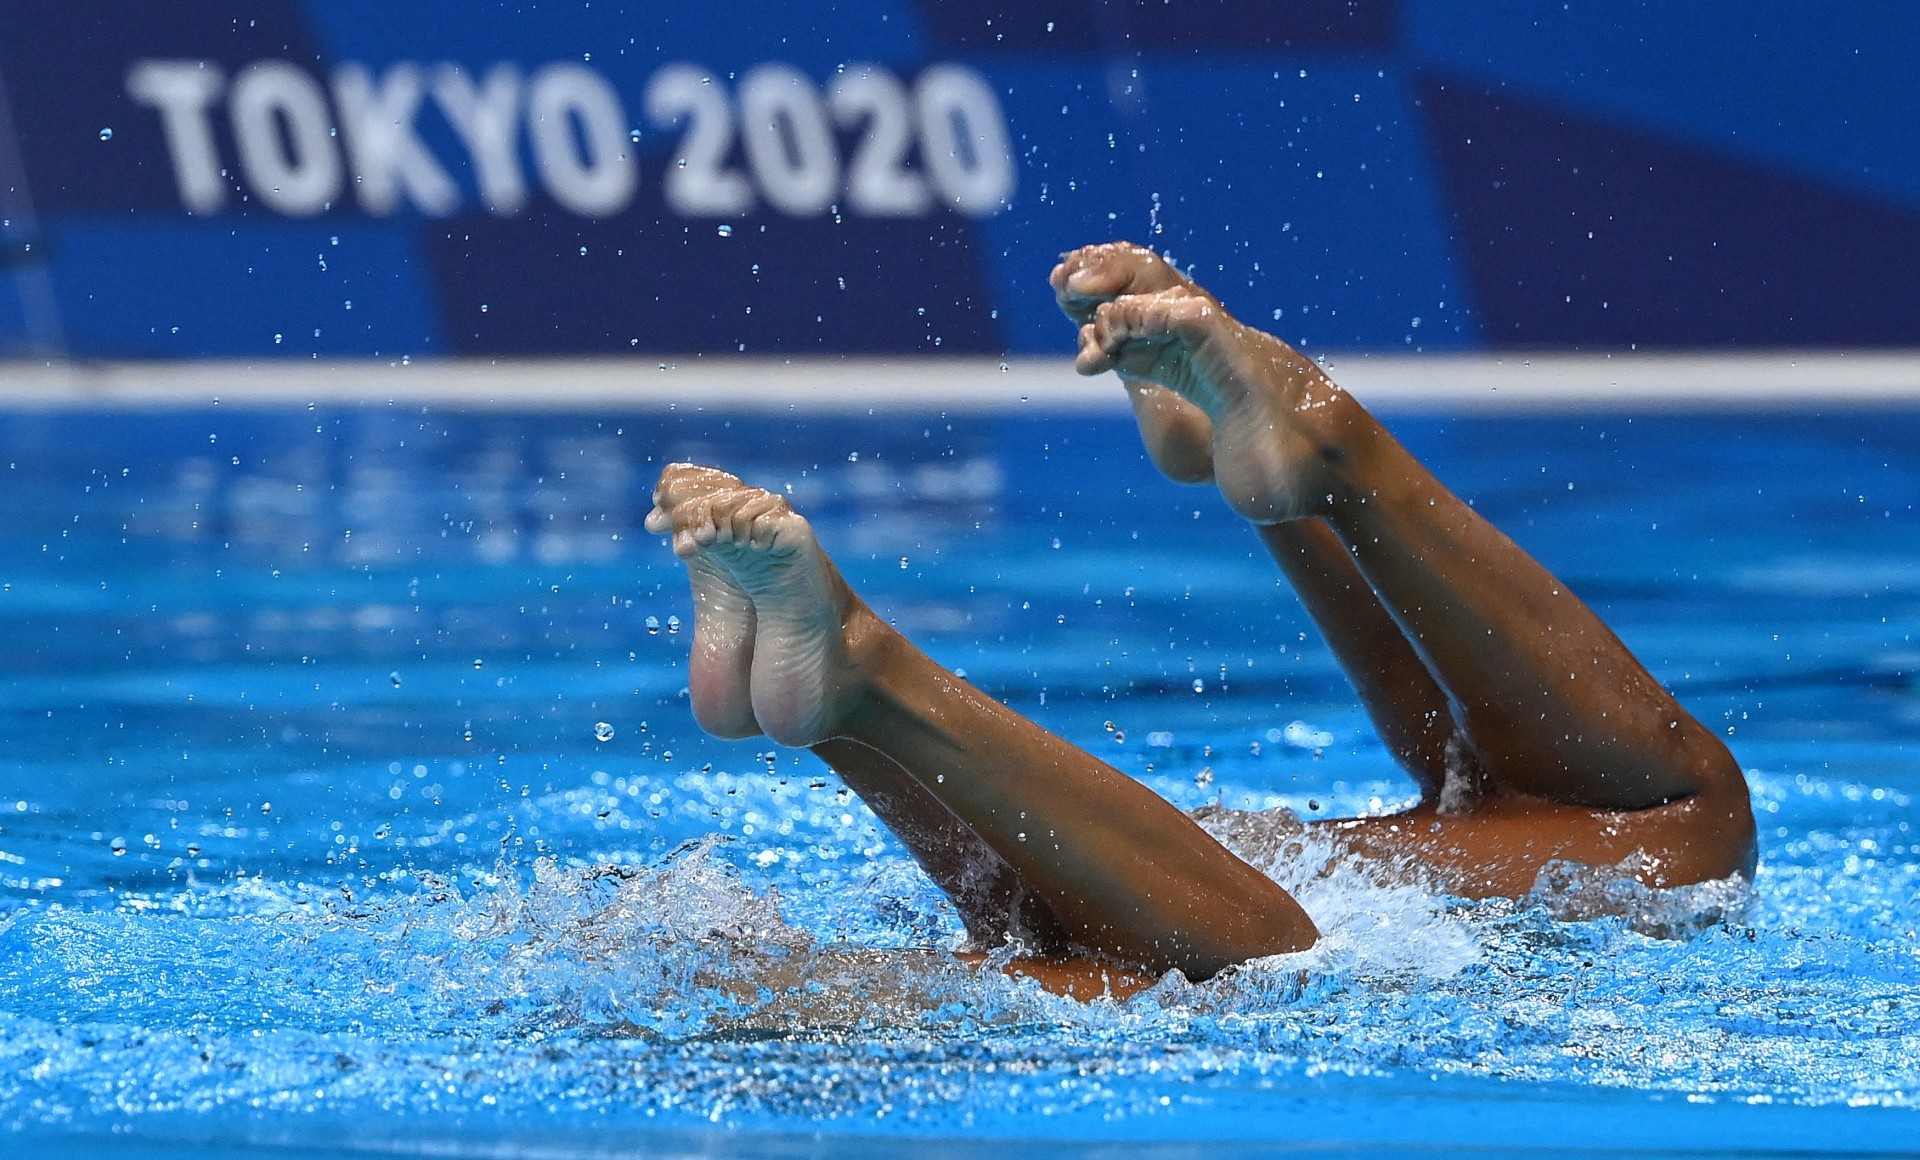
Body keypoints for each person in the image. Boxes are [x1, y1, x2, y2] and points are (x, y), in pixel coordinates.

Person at [644, 242, 1756, 999]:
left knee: (1111, 946)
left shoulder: (785, 998)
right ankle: (1308, 468)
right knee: (1682, 826)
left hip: (1210, 878)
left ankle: (1308, 471)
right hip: (1250, 894)